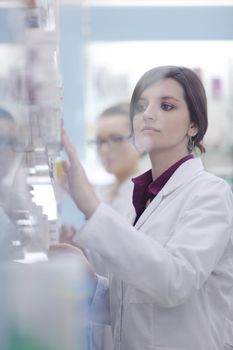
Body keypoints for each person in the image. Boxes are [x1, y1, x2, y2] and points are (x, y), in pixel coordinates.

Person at [58, 66, 233, 350]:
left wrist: (90, 204)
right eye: (141, 105)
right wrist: (91, 280)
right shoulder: (140, 200)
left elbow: (174, 282)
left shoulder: (211, 193)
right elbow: (133, 307)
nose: (148, 114)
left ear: (194, 125)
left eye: (166, 106)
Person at [60, 103, 142, 350]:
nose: (105, 150)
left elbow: (134, 262)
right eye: (99, 142)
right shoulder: (105, 193)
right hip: (108, 317)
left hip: (130, 321)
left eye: (115, 139)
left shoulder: (142, 195)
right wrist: (79, 249)